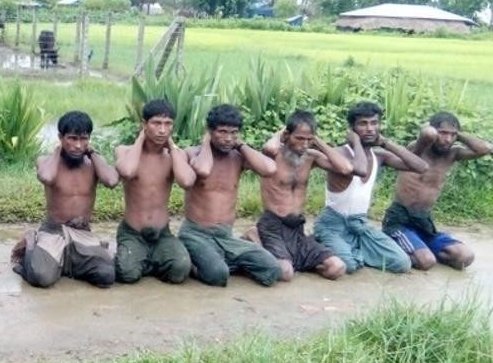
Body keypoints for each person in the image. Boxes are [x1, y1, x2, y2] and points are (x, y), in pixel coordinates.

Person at [313, 101, 427, 274]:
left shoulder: (379, 156)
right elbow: (360, 169)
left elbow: (421, 167)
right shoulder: (340, 154)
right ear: (352, 128)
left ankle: (350, 250)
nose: (370, 129)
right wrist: (356, 143)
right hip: (333, 224)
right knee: (348, 266)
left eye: (374, 123)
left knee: (401, 263)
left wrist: (385, 143)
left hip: (360, 224)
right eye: (363, 124)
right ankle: (321, 243)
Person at [12, 111, 119, 288]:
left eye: (84, 139)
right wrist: (58, 150)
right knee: (41, 277)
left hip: (82, 232)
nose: (78, 145)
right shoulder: (46, 161)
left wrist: (92, 153)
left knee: (106, 275)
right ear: (61, 137)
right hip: (53, 231)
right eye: (72, 139)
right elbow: (46, 177)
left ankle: (65, 262)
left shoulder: (93, 163)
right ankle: (31, 243)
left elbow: (112, 181)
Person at [180, 104, 282, 287]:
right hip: (196, 234)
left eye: (234, 133)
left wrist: (241, 145)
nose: (228, 138)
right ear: (210, 131)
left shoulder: (237, 157)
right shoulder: (192, 153)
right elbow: (203, 170)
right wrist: (206, 143)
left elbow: (269, 169)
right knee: (218, 274)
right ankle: (196, 264)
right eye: (222, 132)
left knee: (272, 269)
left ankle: (221, 260)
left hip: (226, 236)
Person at [382, 112, 491, 270]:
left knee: (464, 257)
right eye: (443, 133)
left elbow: (485, 149)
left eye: (452, 135)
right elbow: (427, 134)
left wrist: (458, 134)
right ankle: (389, 243)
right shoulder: (417, 148)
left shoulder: (453, 154)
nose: (447, 139)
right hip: (400, 219)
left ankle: (418, 246)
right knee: (425, 261)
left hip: (424, 220)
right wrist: (432, 130)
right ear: (434, 131)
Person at [254, 111, 352, 281]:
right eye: (299, 138)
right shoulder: (273, 155)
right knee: (285, 274)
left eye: (308, 139)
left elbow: (345, 168)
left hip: (297, 228)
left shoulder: (311, 157)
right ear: (287, 135)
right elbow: (269, 147)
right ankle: (254, 236)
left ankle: (295, 260)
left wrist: (318, 141)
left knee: (337, 268)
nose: (304, 144)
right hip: (273, 226)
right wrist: (280, 132)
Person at [113, 99, 195, 284]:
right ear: (144, 124)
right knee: (127, 274)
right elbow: (127, 171)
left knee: (180, 270)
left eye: (168, 124)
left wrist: (172, 146)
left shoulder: (175, 156)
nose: (162, 130)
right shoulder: (124, 151)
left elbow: (187, 182)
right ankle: (139, 259)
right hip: (132, 232)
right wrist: (140, 139)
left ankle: (151, 260)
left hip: (162, 234)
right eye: (156, 123)